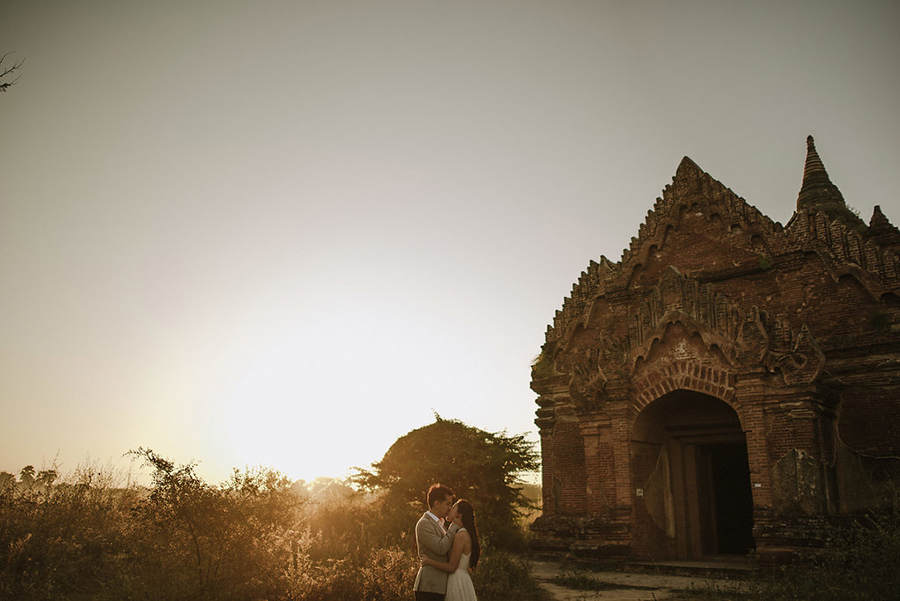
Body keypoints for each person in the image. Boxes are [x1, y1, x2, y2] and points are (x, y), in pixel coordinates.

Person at [420, 499, 480, 601]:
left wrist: (429, 561)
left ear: (459, 515)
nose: (449, 509)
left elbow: (452, 567)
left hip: (457, 582)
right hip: (462, 580)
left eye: (452, 508)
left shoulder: (461, 535)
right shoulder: (462, 532)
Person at [414, 483, 461, 601]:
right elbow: (440, 549)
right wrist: (454, 527)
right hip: (429, 586)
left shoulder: (440, 524)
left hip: (438, 587)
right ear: (436, 503)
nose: (450, 508)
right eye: (448, 504)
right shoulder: (424, 524)